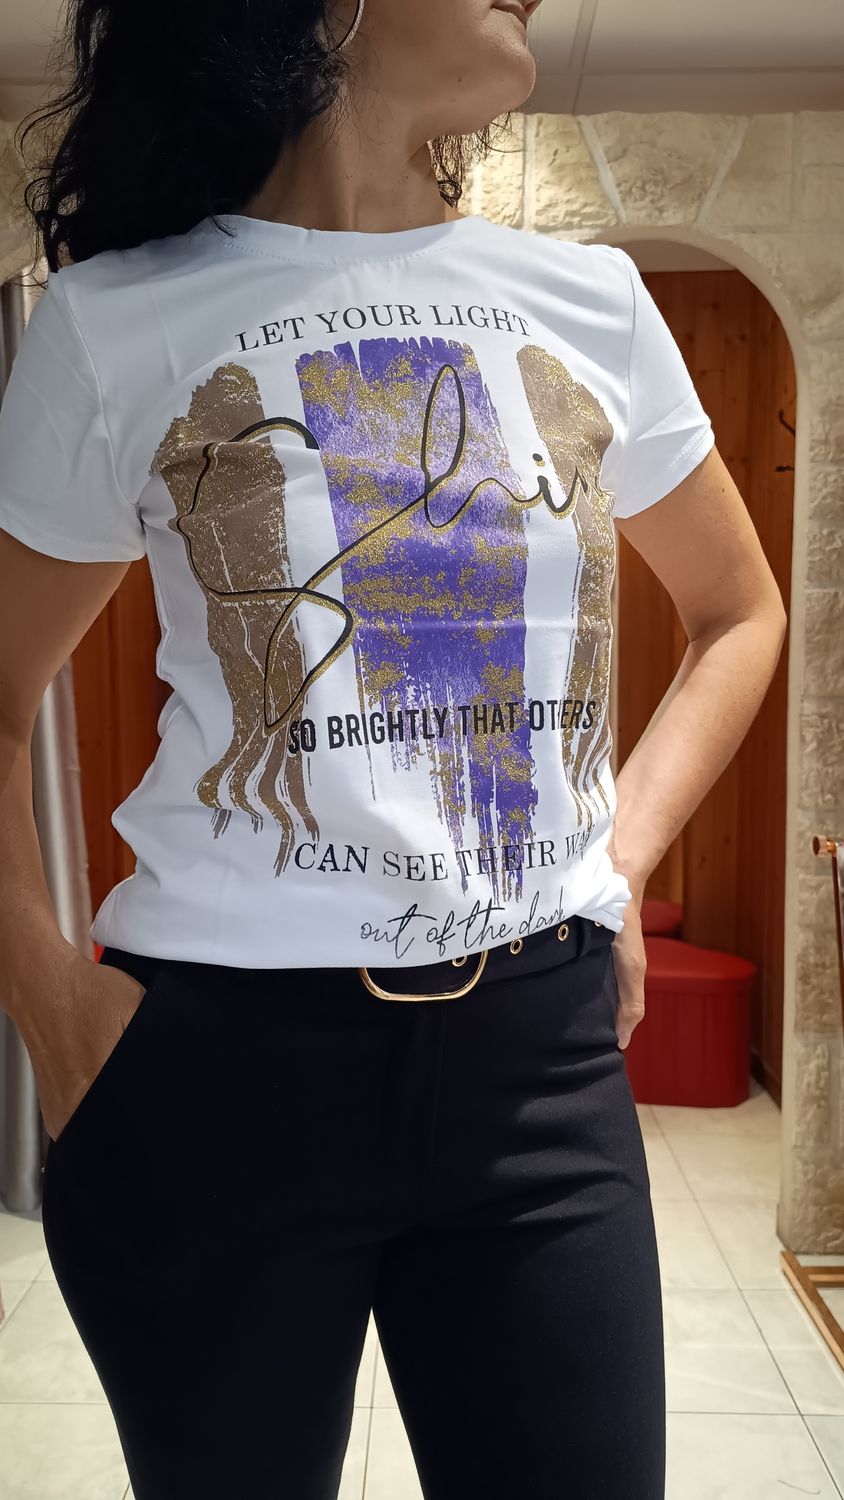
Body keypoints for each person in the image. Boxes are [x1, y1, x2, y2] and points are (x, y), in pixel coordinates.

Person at [0, 0, 787, 1495]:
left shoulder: (592, 303)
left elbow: (739, 612)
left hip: (537, 1071)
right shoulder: (116, 323)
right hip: (217, 1078)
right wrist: (54, 1012)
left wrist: (616, 860)